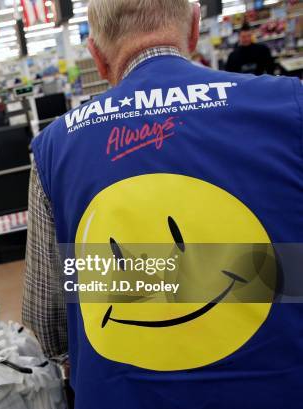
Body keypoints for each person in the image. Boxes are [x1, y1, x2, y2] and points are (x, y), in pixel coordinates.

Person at [23, 1, 303, 409]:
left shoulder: (55, 149)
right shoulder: (289, 107)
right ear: (193, 30)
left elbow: (48, 330)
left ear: (98, 59)